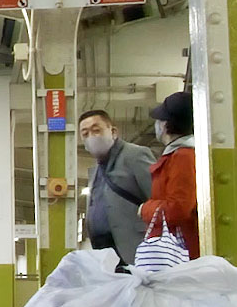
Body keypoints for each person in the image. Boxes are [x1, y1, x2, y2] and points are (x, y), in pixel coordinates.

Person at [79, 109, 155, 269]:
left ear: (113, 132)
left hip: (134, 248)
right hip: (105, 253)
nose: (91, 137)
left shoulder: (135, 155)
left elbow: (156, 197)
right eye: (85, 134)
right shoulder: (96, 170)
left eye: (96, 130)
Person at [140, 91, 200, 259]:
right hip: (180, 247)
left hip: (179, 251)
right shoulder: (180, 154)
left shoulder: (183, 157)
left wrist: (145, 209)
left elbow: (178, 208)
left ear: (165, 125)